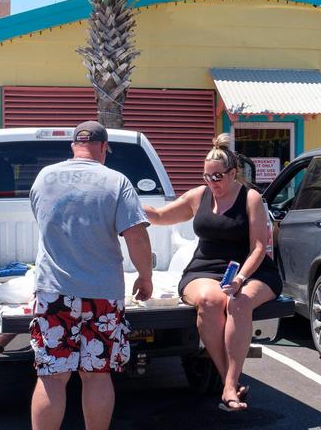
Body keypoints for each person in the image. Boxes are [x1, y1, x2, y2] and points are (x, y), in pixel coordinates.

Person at [29, 121, 154, 430]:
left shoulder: (44, 178)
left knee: (52, 377)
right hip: (103, 295)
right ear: (103, 147)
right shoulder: (116, 182)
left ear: (73, 146)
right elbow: (135, 236)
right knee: (97, 375)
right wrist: (145, 276)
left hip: (54, 292)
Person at [143, 133, 281, 412]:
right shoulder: (199, 195)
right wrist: (128, 202)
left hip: (251, 269)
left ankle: (229, 384)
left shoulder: (250, 198)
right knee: (210, 301)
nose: (211, 183)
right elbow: (159, 217)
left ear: (232, 174)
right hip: (204, 268)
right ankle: (228, 383)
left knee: (238, 302)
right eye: (207, 177)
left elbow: (258, 247)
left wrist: (240, 278)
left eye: (217, 177)